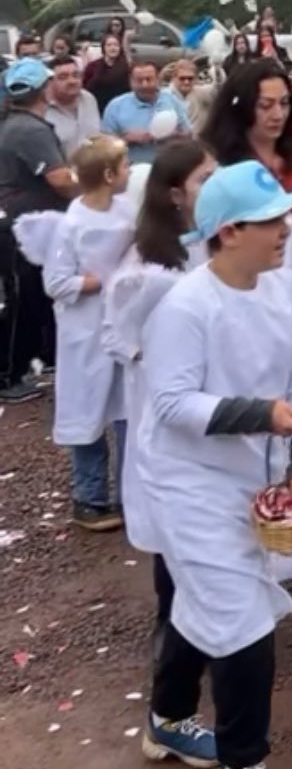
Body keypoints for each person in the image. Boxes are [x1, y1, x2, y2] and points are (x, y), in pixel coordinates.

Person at [133, 162, 292, 769]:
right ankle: (242, 767)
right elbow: (172, 404)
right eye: (272, 220)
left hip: (255, 471)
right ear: (228, 232)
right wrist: (263, 414)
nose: (286, 228)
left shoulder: (289, 292)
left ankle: (167, 719)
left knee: (206, 604)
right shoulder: (186, 306)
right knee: (243, 620)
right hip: (187, 482)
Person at [103, 138, 215, 649]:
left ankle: (217, 616)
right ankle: (172, 630)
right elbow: (120, 337)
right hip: (168, 409)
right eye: (203, 181)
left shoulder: (220, 240)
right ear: (174, 194)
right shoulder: (147, 265)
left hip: (216, 403)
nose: (213, 188)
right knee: (175, 521)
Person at [17, 135, 134, 529]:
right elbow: (57, 282)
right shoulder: (73, 224)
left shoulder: (126, 212)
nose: (129, 172)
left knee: (129, 411)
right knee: (88, 412)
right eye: (124, 165)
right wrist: (99, 282)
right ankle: (90, 496)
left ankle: (133, 494)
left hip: (121, 326)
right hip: (85, 333)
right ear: (107, 174)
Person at [0, 58, 75, 401]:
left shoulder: (16, 124)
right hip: (22, 225)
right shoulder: (31, 130)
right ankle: (9, 377)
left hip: (19, 222)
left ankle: (34, 361)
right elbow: (59, 180)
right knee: (19, 299)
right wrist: (94, 184)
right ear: (44, 89)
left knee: (27, 296)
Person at [204, 60, 292, 202]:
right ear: (242, 107)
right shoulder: (217, 162)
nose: (278, 115)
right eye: (265, 106)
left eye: (284, 103)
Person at [103, 60, 192, 167]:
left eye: (149, 79)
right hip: (131, 171)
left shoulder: (171, 100)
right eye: (139, 80)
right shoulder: (116, 106)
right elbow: (104, 148)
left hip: (167, 170)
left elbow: (189, 135)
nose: (145, 85)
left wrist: (174, 136)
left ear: (158, 80)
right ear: (130, 81)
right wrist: (126, 139)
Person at [46, 52, 102, 156]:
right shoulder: (42, 110)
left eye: (76, 75)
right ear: (50, 82)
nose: (72, 81)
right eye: (63, 77)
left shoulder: (89, 99)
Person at [83, 31, 131, 113]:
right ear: (103, 47)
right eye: (109, 45)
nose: (113, 48)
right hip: (97, 107)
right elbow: (86, 89)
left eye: (116, 45)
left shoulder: (126, 67)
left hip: (119, 109)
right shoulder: (93, 66)